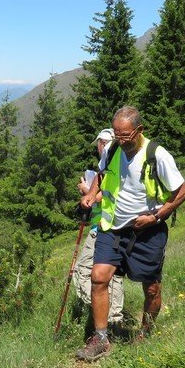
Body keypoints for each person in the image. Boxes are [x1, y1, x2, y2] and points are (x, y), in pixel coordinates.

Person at [75, 106, 185, 362]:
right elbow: (102, 175)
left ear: (139, 130)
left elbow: (182, 192)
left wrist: (157, 216)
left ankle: (145, 333)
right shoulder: (114, 149)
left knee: (151, 288)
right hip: (113, 226)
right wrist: (92, 195)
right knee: (99, 277)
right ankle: (101, 338)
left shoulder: (157, 155)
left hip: (147, 229)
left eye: (126, 134)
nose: (121, 139)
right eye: (117, 134)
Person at [74, 128, 125, 326]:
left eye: (99, 143)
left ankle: (103, 312)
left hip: (102, 227)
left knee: (82, 272)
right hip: (117, 226)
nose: (98, 147)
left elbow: (102, 197)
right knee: (114, 275)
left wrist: (87, 191)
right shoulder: (122, 164)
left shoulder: (110, 168)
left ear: (104, 143)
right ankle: (115, 319)